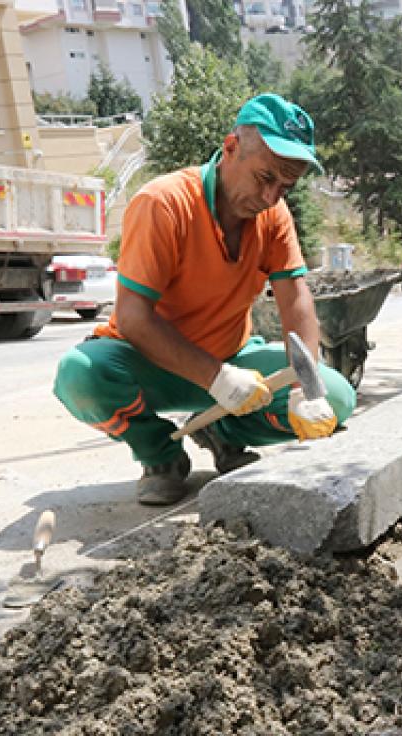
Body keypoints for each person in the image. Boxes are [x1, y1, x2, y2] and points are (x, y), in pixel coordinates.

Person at [53, 94, 356, 506]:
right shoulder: (163, 205)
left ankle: (221, 431)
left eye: (286, 186)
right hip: (150, 364)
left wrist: (308, 387)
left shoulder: (273, 215)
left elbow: (295, 299)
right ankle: (160, 455)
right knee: (80, 376)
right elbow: (133, 319)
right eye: (265, 178)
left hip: (233, 359)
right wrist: (216, 379)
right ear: (231, 148)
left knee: (336, 397)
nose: (271, 197)